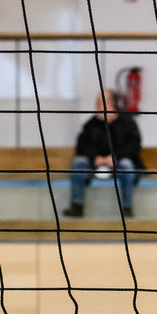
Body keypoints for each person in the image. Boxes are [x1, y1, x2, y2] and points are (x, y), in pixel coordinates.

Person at [64, 88, 143, 218]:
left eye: (100, 102)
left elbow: (134, 145)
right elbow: (81, 145)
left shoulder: (127, 123)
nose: (97, 106)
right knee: (79, 163)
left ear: (111, 103)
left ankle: (127, 207)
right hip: (96, 163)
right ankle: (77, 206)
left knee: (127, 165)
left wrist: (115, 157)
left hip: (119, 162)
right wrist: (96, 158)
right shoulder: (91, 124)